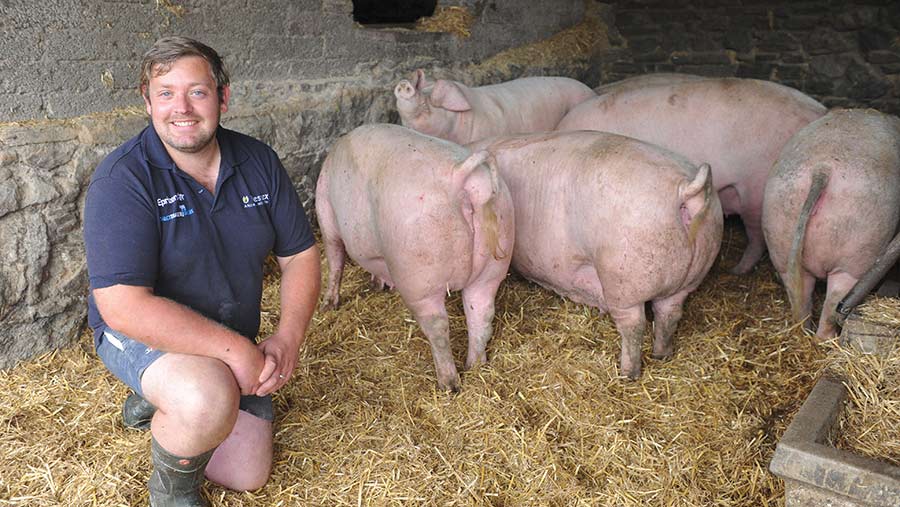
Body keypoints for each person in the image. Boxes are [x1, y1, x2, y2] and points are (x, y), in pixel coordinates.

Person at [82, 36, 320, 506]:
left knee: (246, 474)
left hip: (228, 331)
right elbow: (123, 306)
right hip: (135, 332)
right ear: (147, 101)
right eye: (166, 92)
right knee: (204, 399)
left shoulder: (259, 162)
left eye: (198, 91)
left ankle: (158, 398)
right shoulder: (122, 180)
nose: (182, 108)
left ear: (223, 97)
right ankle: (173, 490)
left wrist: (288, 337)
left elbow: (301, 257)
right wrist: (237, 352)